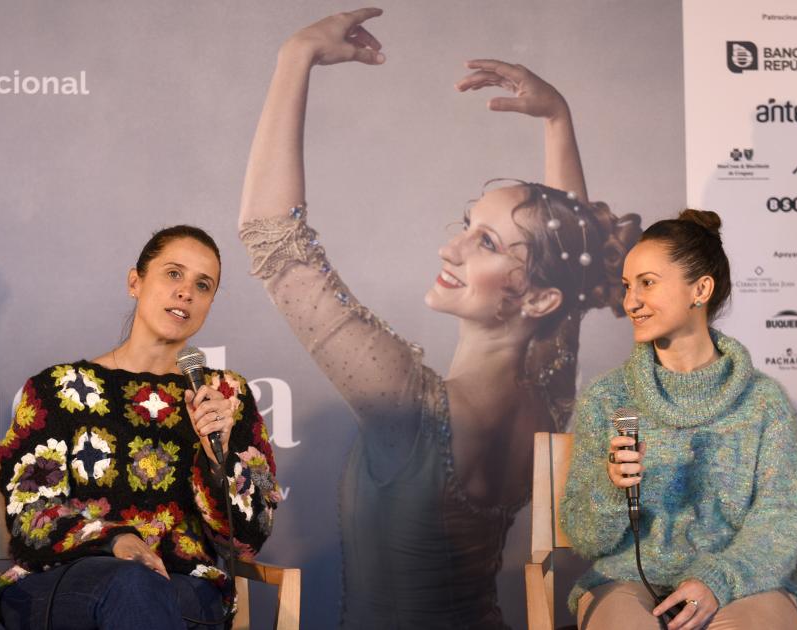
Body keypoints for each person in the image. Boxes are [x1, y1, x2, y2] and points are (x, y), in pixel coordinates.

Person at [237, 8, 640, 628]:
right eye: (468, 225)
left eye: (486, 243)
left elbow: (273, 243)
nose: (450, 247)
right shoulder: (547, 391)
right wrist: (558, 120)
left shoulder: (410, 408)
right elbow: (573, 267)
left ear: (536, 299)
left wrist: (295, 56)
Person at [0, 226, 282, 629]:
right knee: (133, 584)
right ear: (135, 281)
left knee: (145, 592)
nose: (186, 292)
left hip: (180, 586)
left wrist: (220, 457)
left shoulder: (225, 396)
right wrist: (114, 540)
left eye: (203, 284)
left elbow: (246, 540)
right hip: (64, 580)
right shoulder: (57, 390)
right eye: (174, 273)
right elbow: (31, 516)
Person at [560, 209, 797, 630]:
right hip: (628, 581)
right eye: (627, 286)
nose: (630, 302)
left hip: (741, 582)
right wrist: (611, 487)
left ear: (701, 290)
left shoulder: (764, 402)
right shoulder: (608, 398)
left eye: (647, 283)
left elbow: (780, 520)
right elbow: (586, 538)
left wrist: (717, 580)